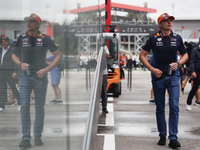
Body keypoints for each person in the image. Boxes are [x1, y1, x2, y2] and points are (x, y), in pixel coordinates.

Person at [12, 13, 61, 148]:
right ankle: (26, 138)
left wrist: (47, 69)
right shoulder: (21, 38)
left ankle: (38, 136)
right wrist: (20, 64)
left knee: (39, 108)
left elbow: (58, 55)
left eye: (32, 22)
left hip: (40, 77)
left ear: (38, 24)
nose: (29, 23)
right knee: (25, 108)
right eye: (27, 21)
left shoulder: (45, 39)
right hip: (25, 77)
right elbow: (14, 55)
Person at [139, 13, 188, 149]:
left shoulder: (177, 38)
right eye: (166, 21)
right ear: (160, 24)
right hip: (158, 77)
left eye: (170, 20)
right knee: (160, 107)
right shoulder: (153, 39)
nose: (169, 23)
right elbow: (142, 56)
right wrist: (152, 69)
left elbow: (185, 54)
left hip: (173, 76)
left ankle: (173, 138)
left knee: (174, 105)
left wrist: (178, 63)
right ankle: (162, 134)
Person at [0, 37, 21, 111]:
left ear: (8, 42)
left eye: (5, 41)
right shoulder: (0, 50)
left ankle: (20, 103)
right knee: (2, 89)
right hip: (1, 72)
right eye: (2, 42)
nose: (4, 43)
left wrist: (15, 71)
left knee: (13, 88)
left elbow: (16, 62)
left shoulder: (12, 51)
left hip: (10, 72)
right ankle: (2, 106)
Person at [186, 41, 200, 110]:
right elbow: (192, 61)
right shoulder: (195, 50)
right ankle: (188, 102)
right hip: (197, 71)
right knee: (195, 88)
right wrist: (193, 71)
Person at [102, 44, 110, 114]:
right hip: (96, 72)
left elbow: (108, 55)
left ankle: (104, 107)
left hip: (104, 72)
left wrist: (103, 51)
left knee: (104, 90)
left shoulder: (104, 47)